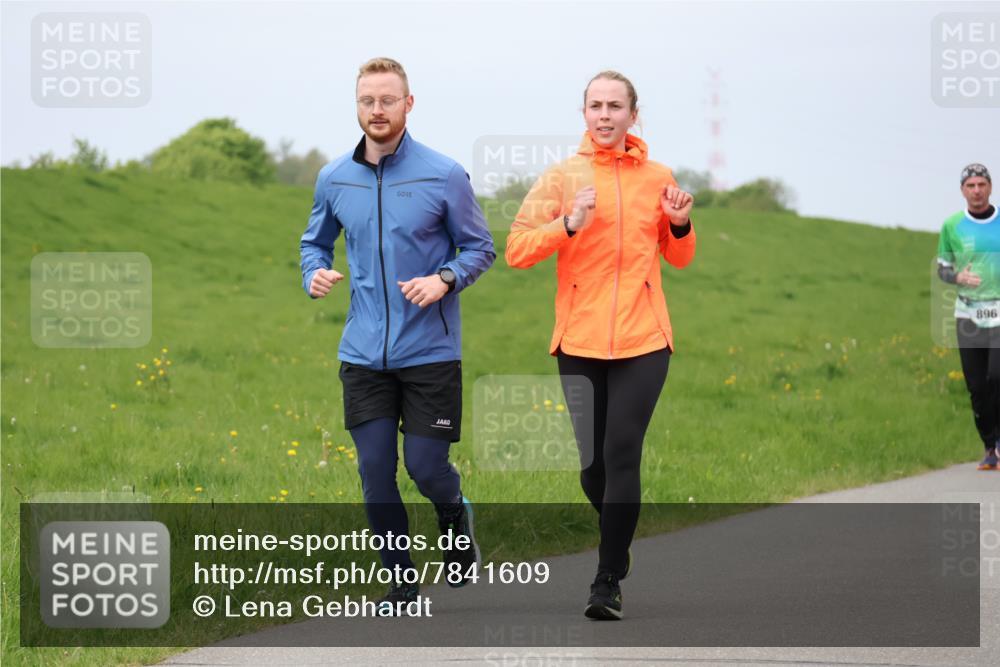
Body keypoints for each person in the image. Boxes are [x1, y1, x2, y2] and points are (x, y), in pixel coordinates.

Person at [300, 57, 495, 609]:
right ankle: (402, 581)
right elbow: (314, 241)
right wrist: (313, 271)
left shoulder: (443, 174)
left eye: (388, 100)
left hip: (430, 350)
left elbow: (480, 248)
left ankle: (454, 515)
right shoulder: (335, 176)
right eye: (368, 101)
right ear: (357, 105)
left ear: (409, 104)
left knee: (425, 466)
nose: (377, 110)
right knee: (374, 469)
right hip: (362, 352)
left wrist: (445, 279)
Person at [505, 71, 696, 620]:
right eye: (596, 106)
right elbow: (517, 248)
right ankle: (619, 533)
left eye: (616, 106)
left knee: (621, 452)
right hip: (581, 339)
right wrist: (568, 224)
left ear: (634, 115)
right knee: (592, 467)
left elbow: (678, 257)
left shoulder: (659, 177)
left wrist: (680, 224)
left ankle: (606, 578)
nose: (605, 115)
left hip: (644, 338)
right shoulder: (562, 177)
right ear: (584, 114)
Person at [936, 163, 1000, 471]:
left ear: (990, 187)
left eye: (981, 185)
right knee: (976, 384)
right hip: (968, 313)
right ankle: (990, 446)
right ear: (963, 190)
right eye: (970, 186)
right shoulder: (952, 226)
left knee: (997, 376)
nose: (976, 190)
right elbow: (942, 268)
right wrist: (957, 276)